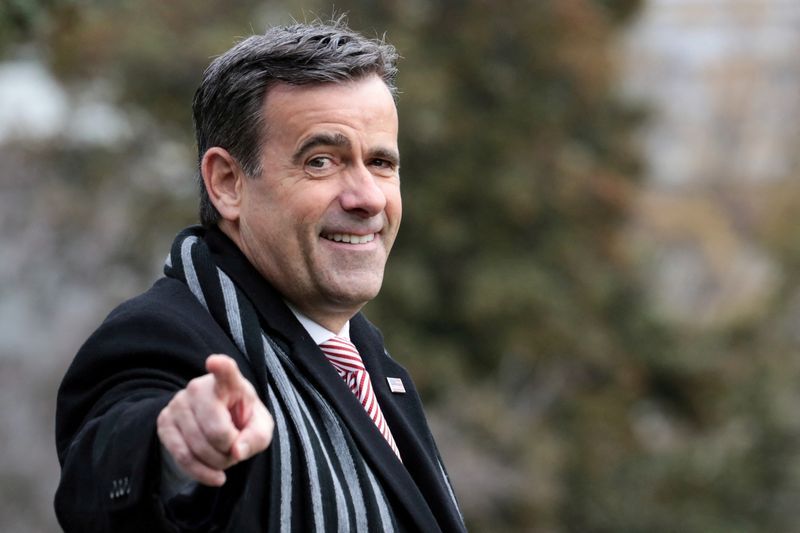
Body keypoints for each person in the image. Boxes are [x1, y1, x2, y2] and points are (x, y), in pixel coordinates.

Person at [54, 19, 465, 533]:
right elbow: (101, 480)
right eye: (321, 162)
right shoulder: (162, 338)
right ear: (227, 183)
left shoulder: (372, 365)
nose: (368, 197)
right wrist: (173, 453)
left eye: (381, 162)